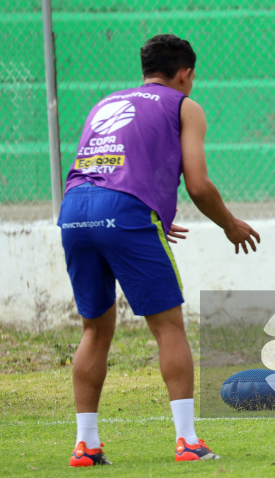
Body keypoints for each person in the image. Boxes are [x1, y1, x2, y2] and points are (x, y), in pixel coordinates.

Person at [59, 34, 260, 466]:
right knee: (169, 327)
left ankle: (86, 445)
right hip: (125, 214)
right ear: (186, 73)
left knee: (95, 330)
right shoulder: (184, 105)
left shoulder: (105, 102)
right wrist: (230, 225)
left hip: (75, 211)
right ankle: (187, 441)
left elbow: (110, 163)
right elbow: (199, 184)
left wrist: (144, 209)